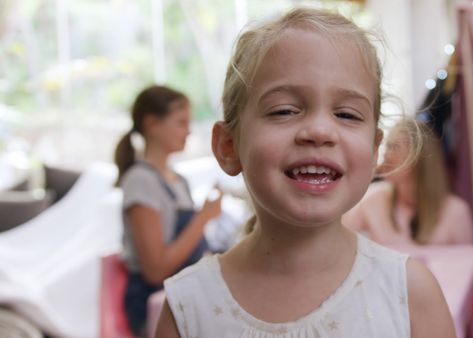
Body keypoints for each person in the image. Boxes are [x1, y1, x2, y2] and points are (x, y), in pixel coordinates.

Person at [155, 7, 455, 338]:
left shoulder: (411, 296)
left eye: (347, 114)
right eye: (284, 110)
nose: (319, 131)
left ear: (373, 152)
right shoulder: (189, 307)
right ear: (228, 146)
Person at [114, 85, 222, 335]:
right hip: (156, 304)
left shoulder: (179, 180)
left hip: (185, 295)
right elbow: (155, 270)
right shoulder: (140, 181)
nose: (188, 131)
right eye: (181, 122)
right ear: (152, 123)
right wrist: (204, 217)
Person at [343, 117, 473, 248]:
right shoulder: (372, 199)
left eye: (394, 147)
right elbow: (338, 237)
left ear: (418, 158)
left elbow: (469, 265)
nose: (386, 155)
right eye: (388, 147)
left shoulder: (456, 212)